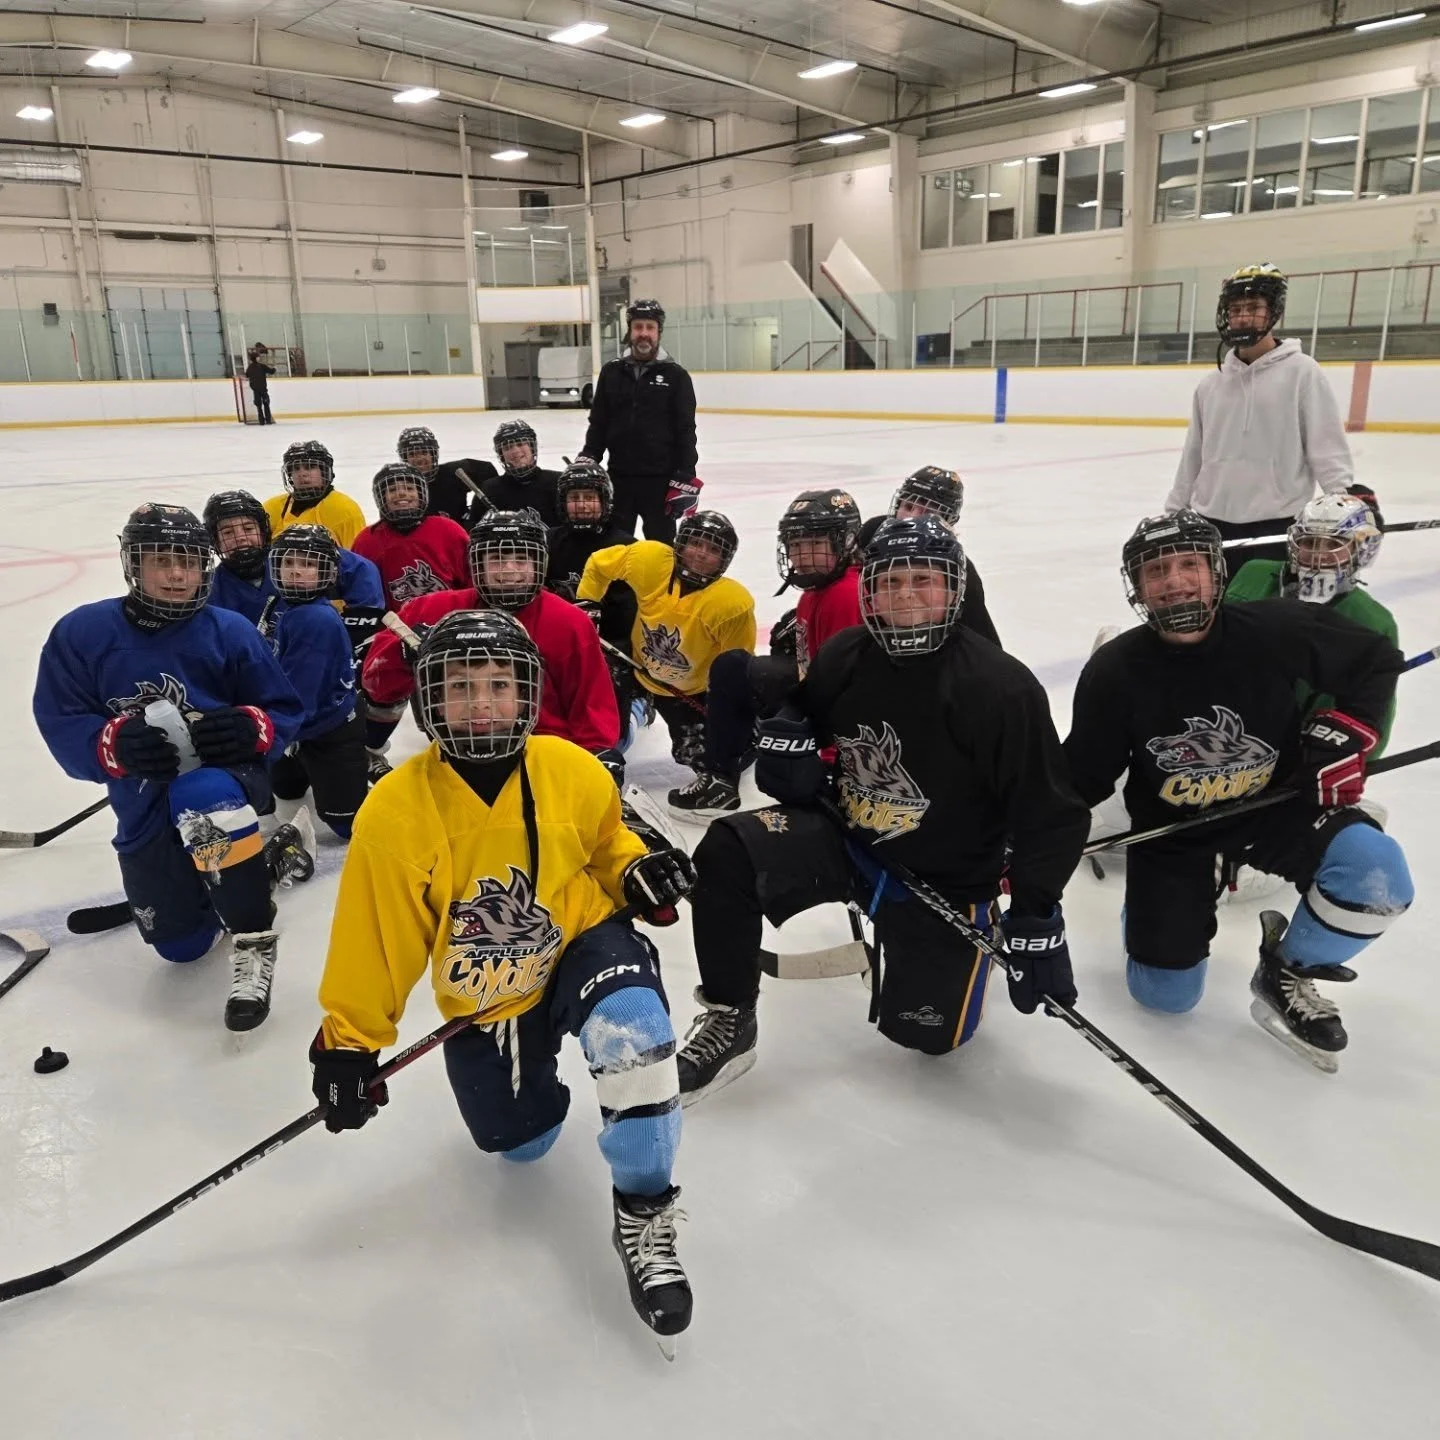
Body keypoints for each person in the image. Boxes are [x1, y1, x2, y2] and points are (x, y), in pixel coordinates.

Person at [310, 609, 696, 1346]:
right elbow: (376, 937)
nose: (481, 702)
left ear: (527, 695)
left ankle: (644, 1211)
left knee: (637, 1041)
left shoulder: (571, 769)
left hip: (583, 939)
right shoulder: (395, 809)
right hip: (490, 994)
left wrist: (636, 870)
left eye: (498, 684)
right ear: (428, 702)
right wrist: (349, 1043)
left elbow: (608, 846)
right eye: (460, 687)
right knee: (519, 1145)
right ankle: (530, 1105)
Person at [673, 516, 1089, 1105]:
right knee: (728, 849)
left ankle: (974, 933)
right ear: (869, 590)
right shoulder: (847, 653)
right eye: (891, 582)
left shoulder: (1001, 689)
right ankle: (730, 1015)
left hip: (941, 876)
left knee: (930, 1041)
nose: (906, 595)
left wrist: (1037, 914)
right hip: (849, 837)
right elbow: (809, 717)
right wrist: (789, 731)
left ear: (954, 590)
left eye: (924, 580)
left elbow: (1051, 812)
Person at [1064, 511, 1412, 1071]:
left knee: (1376, 876)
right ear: (1138, 587)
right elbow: (1082, 773)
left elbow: (1374, 661)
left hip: (1276, 807)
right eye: (1157, 571)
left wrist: (1351, 731)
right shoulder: (1116, 669)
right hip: (1174, 832)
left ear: (1215, 571)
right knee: (1165, 998)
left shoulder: (1275, 628)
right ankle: (1151, 912)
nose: (1175, 580)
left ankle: (1288, 969)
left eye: (1189, 565)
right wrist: (1025, 831)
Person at [32, 503, 313, 1031]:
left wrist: (253, 728)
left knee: (202, 794)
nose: (179, 574)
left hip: (224, 781)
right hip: (141, 797)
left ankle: (253, 935)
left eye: (189, 560)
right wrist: (109, 745)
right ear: (132, 564)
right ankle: (262, 863)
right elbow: (61, 718)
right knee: (182, 949)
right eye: (162, 560)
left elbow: (285, 711)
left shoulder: (228, 631)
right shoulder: (82, 633)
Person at [360, 509, 622, 782]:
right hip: (458, 756)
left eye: (521, 560)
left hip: (544, 760)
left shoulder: (569, 621)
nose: (509, 571)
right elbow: (376, 684)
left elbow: (591, 703)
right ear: (477, 563)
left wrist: (596, 755)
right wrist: (401, 654)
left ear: (539, 564)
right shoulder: (435, 610)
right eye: (497, 559)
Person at [669, 487, 861, 818]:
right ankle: (732, 762)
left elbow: (843, 688)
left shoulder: (844, 594)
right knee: (738, 668)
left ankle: (723, 774)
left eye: (815, 544)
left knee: (732, 669)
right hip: (815, 700)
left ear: (844, 542)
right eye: (797, 545)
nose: (803, 555)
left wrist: (830, 761)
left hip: (836, 726)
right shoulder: (816, 592)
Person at [1164, 263, 1356, 562]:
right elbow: (1194, 455)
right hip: (1210, 525)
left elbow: (1326, 445)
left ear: (1273, 312)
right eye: (1236, 309)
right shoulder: (1210, 385)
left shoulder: (1301, 372)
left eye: (1252, 307)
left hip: (1278, 527)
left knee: (1266, 609)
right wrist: (1174, 511)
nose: (1242, 317)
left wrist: (1343, 498)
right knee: (1219, 609)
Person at [576, 511, 755, 781]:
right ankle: (638, 706)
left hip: (688, 689)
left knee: (697, 755)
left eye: (713, 549)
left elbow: (736, 668)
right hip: (634, 665)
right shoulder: (651, 560)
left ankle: (756, 729)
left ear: (725, 559)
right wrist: (588, 605)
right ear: (680, 543)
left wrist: (728, 715)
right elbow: (599, 565)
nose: (701, 554)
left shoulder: (732, 604)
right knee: (609, 735)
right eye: (695, 543)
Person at [1226, 493, 1396, 749]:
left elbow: (1375, 710)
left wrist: (1355, 762)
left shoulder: (1372, 619)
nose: (1318, 554)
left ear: (1362, 548)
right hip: (1234, 733)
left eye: (1334, 544)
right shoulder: (1253, 574)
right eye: (1309, 542)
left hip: (1309, 753)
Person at [265, 526, 368, 841]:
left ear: (327, 571)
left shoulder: (314, 619)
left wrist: (267, 733)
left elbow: (301, 699)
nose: (296, 571)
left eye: (308, 564)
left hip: (330, 730)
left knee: (347, 825)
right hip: (304, 726)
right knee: (286, 789)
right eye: (289, 562)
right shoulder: (288, 607)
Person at [204, 490, 386, 655]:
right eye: (228, 533)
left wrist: (359, 627)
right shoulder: (209, 591)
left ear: (263, 530)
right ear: (215, 541)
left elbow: (360, 570)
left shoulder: (294, 557)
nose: (241, 537)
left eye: (248, 529)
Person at [578, 300, 699, 542]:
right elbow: (599, 421)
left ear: (659, 332)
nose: (643, 333)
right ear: (630, 331)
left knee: (661, 549)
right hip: (619, 479)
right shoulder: (611, 372)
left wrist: (686, 475)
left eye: (650, 327)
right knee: (615, 546)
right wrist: (589, 454)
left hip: (661, 483)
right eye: (638, 327)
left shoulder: (676, 376)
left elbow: (686, 430)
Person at [544, 459, 639, 737]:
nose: (582, 505)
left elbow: (632, 612)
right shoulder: (548, 541)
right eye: (575, 498)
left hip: (609, 642)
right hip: (559, 638)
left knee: (612, 721)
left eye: (589, 498)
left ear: (604, 501)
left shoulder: (625, 546)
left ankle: (637, 705)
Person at [856, 467, 1000, 647]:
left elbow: (983, 638)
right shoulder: (871, 533)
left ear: (948, 521)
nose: (911, 517)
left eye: (927, 512)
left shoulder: (957, 568)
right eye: (908, 506)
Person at [351, 464, 470, 612]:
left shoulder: (449, 530)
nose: (401, 493)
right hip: (394, 628)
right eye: (392, 490)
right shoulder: (367, 540)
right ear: (381, 497)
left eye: (409, 488)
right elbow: (361, 594)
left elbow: (471, 582)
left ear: (421, 494)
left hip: (450, 623)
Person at [264, 441, 365, 549]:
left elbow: (357, 558)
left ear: (325, 472)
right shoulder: (272, 507)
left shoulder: (344, 509)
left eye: (310, 467)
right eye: (296, 468)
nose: (302, 474)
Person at [396, 425, 495, 526]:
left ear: (433, 454)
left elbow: (487, 471)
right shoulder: (398, 486)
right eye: (412, 454)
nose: (419, 459)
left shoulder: (453, 472)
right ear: (405, 458)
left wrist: (476, 511)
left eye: (424, 452)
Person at [476, 419, 561, 526]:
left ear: (532, 447)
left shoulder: (558, 482)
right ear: (501, 454)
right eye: (508, 447)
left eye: (520, 444)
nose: (515, 451)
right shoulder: (490, 489)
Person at [245, 344, 275, 426]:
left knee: (260, 405)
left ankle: (262, 421)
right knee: (265, 404)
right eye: (258, 357)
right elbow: (271, 371)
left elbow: (247, 375)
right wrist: (273, 369)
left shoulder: (250, 367)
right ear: (255, 358)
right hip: (262, 388)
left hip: (256, 389)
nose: (259, 358)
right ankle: (267, 420)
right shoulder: (261, 366)